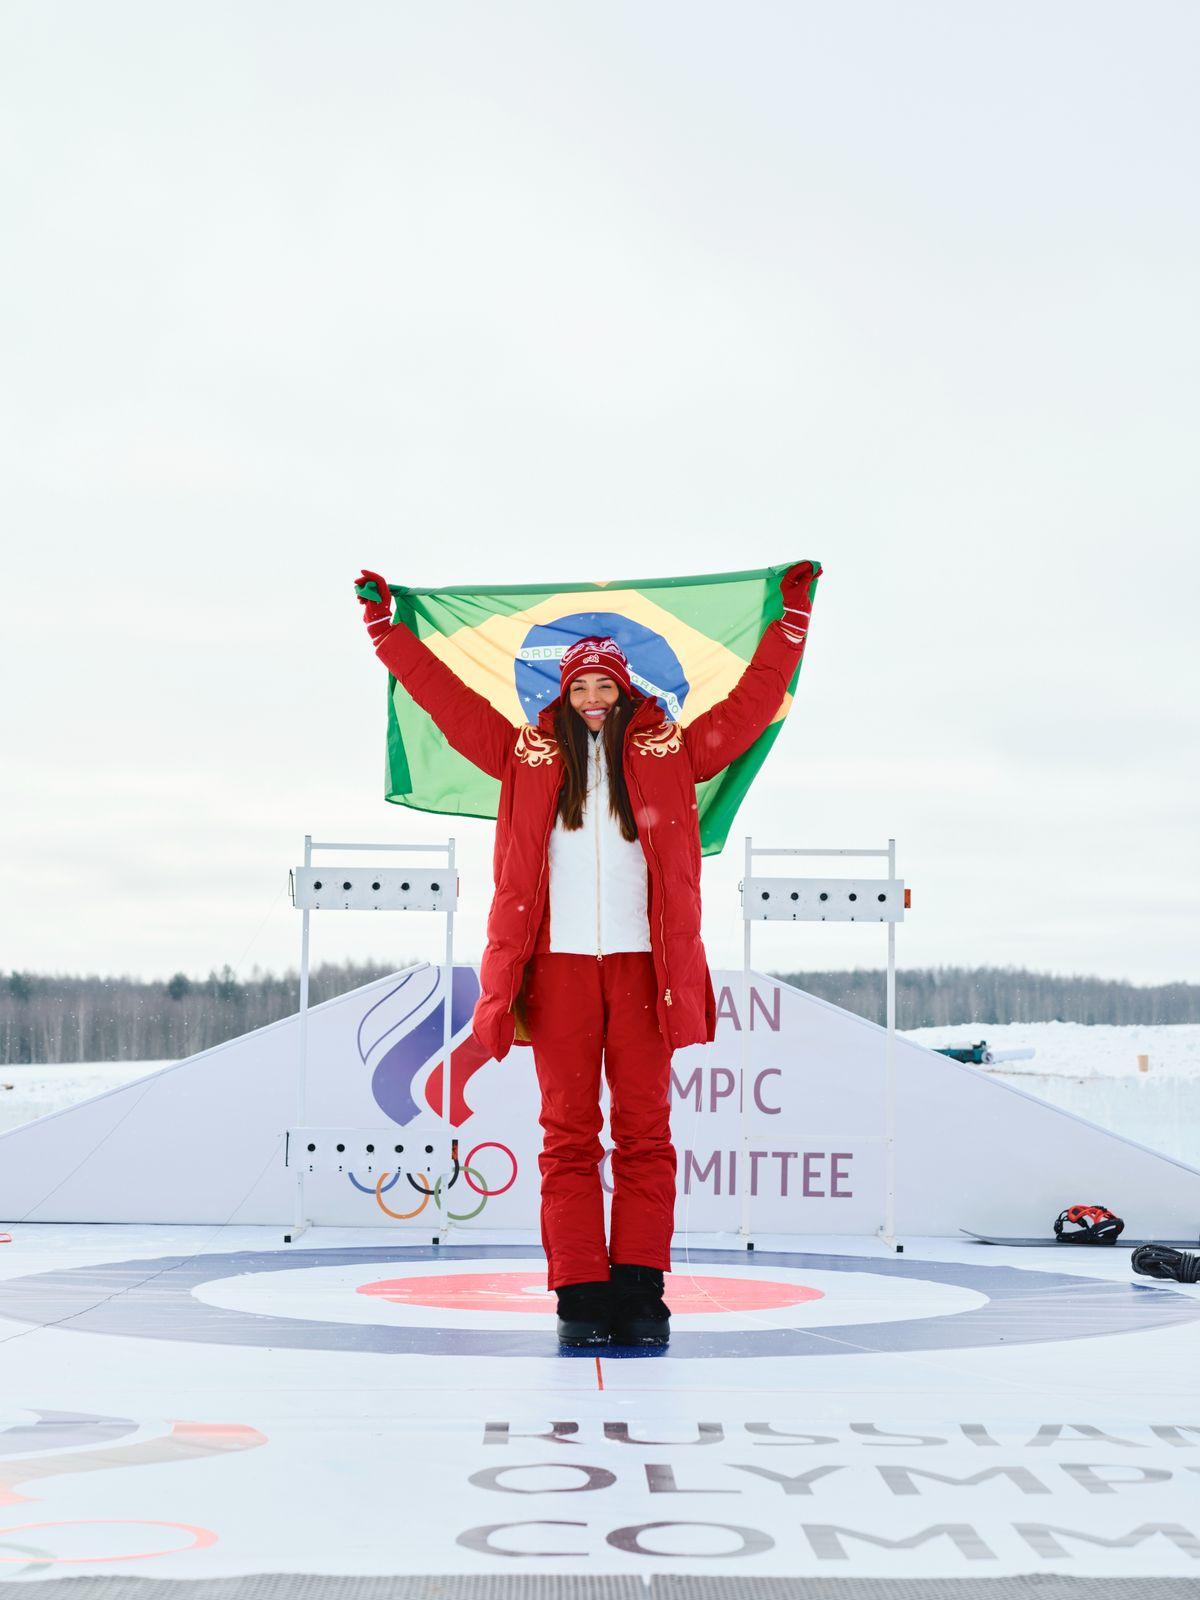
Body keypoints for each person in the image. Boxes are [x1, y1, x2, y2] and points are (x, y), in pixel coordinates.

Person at [354, 561, 820, 1347]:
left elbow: (744, 712)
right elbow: (447, 703)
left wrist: (791, 627)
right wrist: (386, 633)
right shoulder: (522, 758)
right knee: (567, 1132)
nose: (595, 701)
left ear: (626, 691)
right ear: (561, 696)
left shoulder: (670, 752)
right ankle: (579, 1293)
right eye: (581, 690)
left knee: (645, 1131)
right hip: (559, 972)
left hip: (645, 970)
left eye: (606, 688)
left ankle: (640, 1288)